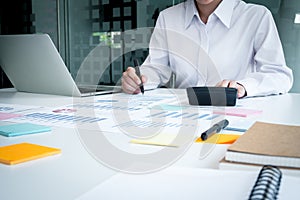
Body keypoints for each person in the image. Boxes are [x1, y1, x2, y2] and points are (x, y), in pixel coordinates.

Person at [121, 0, 293, 98]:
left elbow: (279, 75)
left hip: (237, 116)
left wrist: (243, 86)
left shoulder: (256, 16)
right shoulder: (168, 18)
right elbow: (157, 68)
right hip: (183, 117)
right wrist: (139, 80)